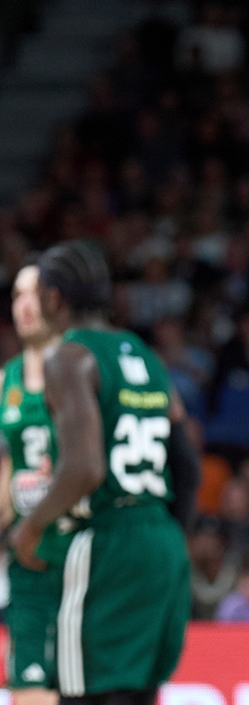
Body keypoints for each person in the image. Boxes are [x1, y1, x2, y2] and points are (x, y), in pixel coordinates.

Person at [10, 240, 198, 705]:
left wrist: (30, 527)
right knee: (135, 694)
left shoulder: (66, 357)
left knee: (84, 695)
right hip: (161, 542)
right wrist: (167, 532)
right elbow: (188, 464)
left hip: (106, 540)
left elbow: (85, 467)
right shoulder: (144, 355)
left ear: (54, 298)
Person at [0, 265, 68, 705]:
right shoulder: (5, 382)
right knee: (29, 691)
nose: (25, 304)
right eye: (17, 295)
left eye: (36, 293)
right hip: (30, 568)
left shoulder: (87, 368)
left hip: (89, 562)